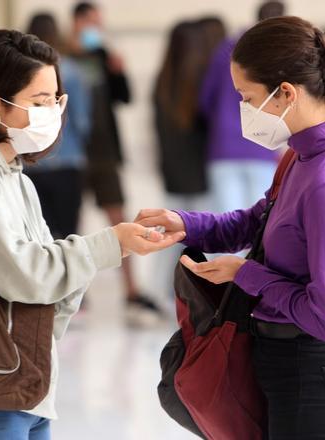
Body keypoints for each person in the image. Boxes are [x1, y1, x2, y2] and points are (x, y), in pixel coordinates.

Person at [0, 30, 185, 439]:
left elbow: (46, 286)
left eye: (56, 100)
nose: (53, 112)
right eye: (39, 102)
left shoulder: (15, 176)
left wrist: (113, 246)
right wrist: (110, 243)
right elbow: (20, 273)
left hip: (19, 380)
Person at [137, 16, 325, 439]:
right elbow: (257, 222)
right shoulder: (300, 158)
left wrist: (244, 273)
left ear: (285, 92)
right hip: (284, 371)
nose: (243, 111)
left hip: (320, 388)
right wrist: (186, 224)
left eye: (247, 98)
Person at [70, 2, 164, 322]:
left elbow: (124, 98)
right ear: (76, 23)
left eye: (99, 23)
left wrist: (118, 70)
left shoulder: (102, 57)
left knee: (119, 218)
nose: (95, 29)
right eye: (90, 23)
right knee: (70, 224)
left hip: (105, 152)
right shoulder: (61, 58)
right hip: (72, 154)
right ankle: (73, 292)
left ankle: (131, 292)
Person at [199, 1, 284, 218]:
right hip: (263, 147)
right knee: (260, 225)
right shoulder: (281, 54)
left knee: (224, 223)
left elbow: (205, 100)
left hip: (224, 146)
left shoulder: (228, 48)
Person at [152, 20, 211, 304]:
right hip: (199, 171)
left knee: (167, 238)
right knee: (198, 237)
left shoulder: (162, 81)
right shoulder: (198, 80)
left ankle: (162, 293)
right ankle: (195, 296)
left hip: (173, 171)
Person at [24, 13, 90, 240]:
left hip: (31, 161)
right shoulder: (70, 69)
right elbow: (82, 121)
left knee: (39, 236)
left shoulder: (21, 71)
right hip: (67, 160)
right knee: (69, 236)